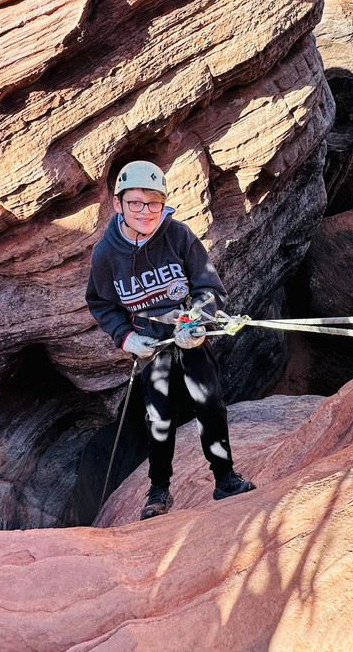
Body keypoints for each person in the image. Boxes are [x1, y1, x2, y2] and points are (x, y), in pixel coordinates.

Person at [85, 160, 256, 519]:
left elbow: (209, 287)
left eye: (154, 203)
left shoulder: (178, 236)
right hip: (150, 342)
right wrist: (125, 337)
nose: (145, 212)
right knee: (159, 417)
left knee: (209, 404)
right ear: (118, 204)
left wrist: (197, 319)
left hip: (188, 332)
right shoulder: (106, 255)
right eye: (135, 203)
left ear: (164, 203)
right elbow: (101, 303)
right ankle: (158, 491)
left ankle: (225, 479)